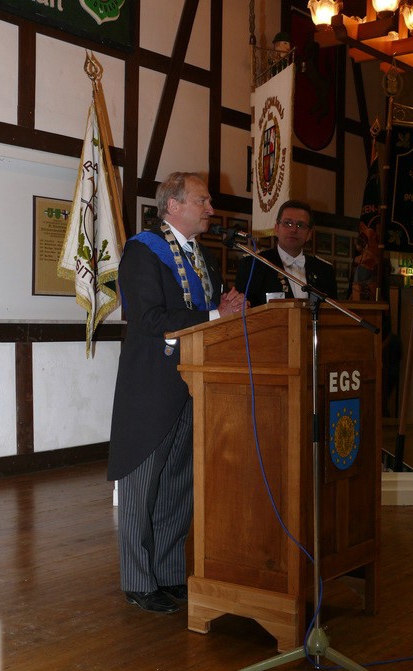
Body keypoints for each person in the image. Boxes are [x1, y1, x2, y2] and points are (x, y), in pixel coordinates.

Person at [107, 172, 247, 614]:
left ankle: (168, 574)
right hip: (151, 386)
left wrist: (227, 312)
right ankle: (138, 581)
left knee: (177, 487)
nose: (211, 209)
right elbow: (148, 318)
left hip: (195, 382)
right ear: (173, 205)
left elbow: (212, 311)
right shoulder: (142, 251)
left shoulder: (202, 256)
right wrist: (216, 314)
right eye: (202, 201)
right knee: (141, 488)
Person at [235, 199, 337, 306]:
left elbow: (334, 313)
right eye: (287, 223)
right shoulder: (253, 265)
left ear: (309, 234)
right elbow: (242, 311)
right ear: (276, 228)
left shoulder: (324, 270)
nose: (293, 230)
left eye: (300, 225)